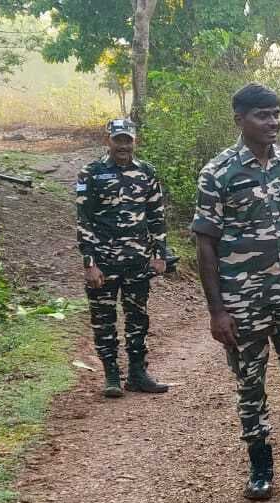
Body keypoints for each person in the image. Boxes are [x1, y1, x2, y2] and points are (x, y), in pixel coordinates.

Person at [191, 83, 280, 502]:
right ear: (240, 120)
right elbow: (205, 242)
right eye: (263, 115)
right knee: (250, 385)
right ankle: (260, 465)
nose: (273, 122)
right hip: (242, 302)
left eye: (276, 113)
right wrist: (217, 311)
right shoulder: (219, 173)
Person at [75, 118, 170, 398]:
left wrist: (159, 255)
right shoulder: (90, 173)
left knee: (138, 319)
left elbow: (156, 216)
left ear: (134, 141)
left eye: (128, 140)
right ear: (109, 141)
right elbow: (84, 221)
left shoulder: (147, 173)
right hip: (104, 263)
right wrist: (89, 264)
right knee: (104, 321)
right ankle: (112, 376)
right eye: (118, 140)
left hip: (138, 262)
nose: (123, 145)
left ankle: (138, 374)